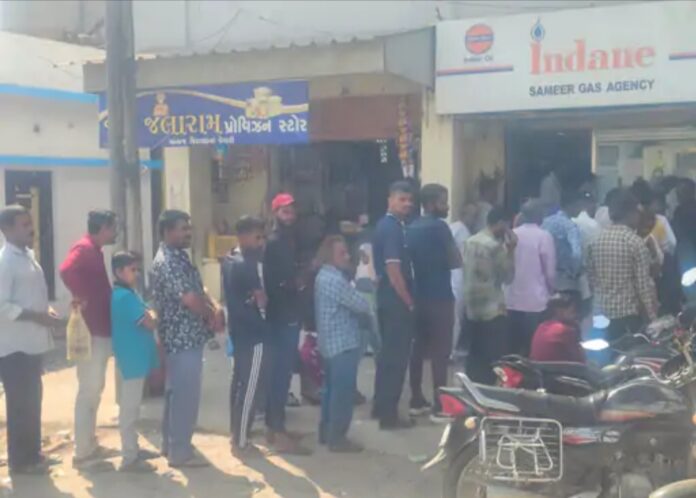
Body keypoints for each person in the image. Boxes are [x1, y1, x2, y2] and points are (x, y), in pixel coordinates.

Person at [152, 210, 223, 468]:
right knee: (185, 396)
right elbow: (190, 299)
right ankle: (180, 452)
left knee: (176, 393)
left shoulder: (179, 256)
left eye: (188, 228)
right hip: (181, 337)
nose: (188, 233)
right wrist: (210, 315)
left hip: (187, 336)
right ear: (167, 231)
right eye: (183, 228)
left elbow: (198, 288)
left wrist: (214, 305)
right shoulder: (168, 261)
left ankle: (171, 444)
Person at [0, 205, 64, 475]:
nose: (30, 228)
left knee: (33, 401)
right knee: (19, 405)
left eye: (30, 223)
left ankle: (34, 454)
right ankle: (20, 461)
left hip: (32, 344)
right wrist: (38, 317)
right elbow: (3, 306)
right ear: (6, 229)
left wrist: (46, 311)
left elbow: (30, 295)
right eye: (24, 224)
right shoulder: (5, 262)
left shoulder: (27, 256)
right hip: (15, 347)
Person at [59, 210, 117, 467]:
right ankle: (83, 452)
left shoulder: (94, 250)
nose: (115, 232)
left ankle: (89, 444)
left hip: (98, 328)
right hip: (91, 329)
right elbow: (66, 270)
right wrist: (81, 297)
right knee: (89, 391)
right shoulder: (84, 249)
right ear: (103, 227)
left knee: (95, 389)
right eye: (113, 228)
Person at [406, 184, 461, 421]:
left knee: (417, 350)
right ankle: (440, 404)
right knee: (440, 352)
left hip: (417, 295)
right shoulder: (440, 228)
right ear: (430, 204)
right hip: (440, 296)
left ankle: (416, 398)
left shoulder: (410, 228)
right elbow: (455, 260)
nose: (446, 206)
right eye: (442, 201)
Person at [315, 235, 372, 452]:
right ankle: (337, 438)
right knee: (342, 394)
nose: (347, 256)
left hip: (330, 343)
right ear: (330, 256)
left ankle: (326, 432)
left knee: (330, 391)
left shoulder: (324, 276)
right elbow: (361, 304)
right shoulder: (335, 280)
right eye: (342, 253)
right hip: (342, 344)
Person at [262, 193, 310, 453]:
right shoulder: (275, 242)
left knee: (283, 373)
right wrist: (298, 282)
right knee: (279, 374)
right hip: (281, 315)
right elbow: (276, 282)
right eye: (285, 212)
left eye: (292, 212)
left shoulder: (291, 240)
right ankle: (276, 430)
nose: (290, 216)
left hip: (289, 313)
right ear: (275, 213)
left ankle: (276, 428)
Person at [222, 216, 269, 457]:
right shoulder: (246, 265)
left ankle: (236, 434)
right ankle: (241, 441)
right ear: (243, 236)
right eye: (257, 237)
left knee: (239, 384)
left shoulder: (229, 259)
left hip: (237, 331)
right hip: (253, 333)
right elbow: (261, 300)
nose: (260, 242)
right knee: (250, 388)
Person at [372, 180, 416, 429]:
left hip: (387, 298)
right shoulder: (391, 229)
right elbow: (394, 271)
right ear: (390, 200)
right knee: (396, 360)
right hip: (395, 299)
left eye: (410, 200)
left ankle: (380, 407)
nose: (407, 204)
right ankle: (389, 416)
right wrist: (409, 302)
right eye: (402, 199)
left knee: (387, 356)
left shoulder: (392, 226)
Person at [110, 251, 160, 472]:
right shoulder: (125, 297)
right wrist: (154, 315)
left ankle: (133, 449)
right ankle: (129, 457)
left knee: (131, 408)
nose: (136, 273)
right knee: (129, 410)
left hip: (132, 358)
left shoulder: (127, 294)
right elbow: (149, 322)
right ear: (119, 271)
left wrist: (150, 314)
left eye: (137, 269)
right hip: (131, 360)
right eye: (132, 269)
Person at [587, 189, 658, 340]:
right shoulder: (635, 243)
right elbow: (643, 287)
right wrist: (652, 318)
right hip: (628, 317)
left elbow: (592, 279)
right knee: (630, 353)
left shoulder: (595, 241)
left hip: (600, 315)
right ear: (631, 213)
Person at [462, 206, 516, 385]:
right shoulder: (494, 246)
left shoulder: (470, 241)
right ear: (501, 223)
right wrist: (511, 250)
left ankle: (472, 384)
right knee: (493, 354)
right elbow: (507, 276)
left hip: (471, 305)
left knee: (474, 352)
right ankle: (488, 387)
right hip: (492, 306)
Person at [504, 199, 556, 357]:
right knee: (533, 348)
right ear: (540, 215)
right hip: (536, 302)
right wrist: (552, 291)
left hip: (511, 300)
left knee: (512, 348)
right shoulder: (544, 236)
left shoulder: (511, 234)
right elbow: (549, 270)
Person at [449, 202, 478, 353]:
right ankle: (451, 350)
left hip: (457, 276)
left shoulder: (459, 229)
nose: (474, 219)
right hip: (457, 277)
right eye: (472, 215)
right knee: (456, 316)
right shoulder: (460, 230)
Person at [542, 190, 584, 292]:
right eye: (579, 206)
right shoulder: (570, 226)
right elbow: (577, 254)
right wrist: (574, 271)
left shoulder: (546, 222)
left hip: (545, 278)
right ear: (571, 206)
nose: (581, 209)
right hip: (565, 279)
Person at [529, 292, 585, 364]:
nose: (575, 314)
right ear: (560, 311)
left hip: (539, 368)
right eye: (572, 311)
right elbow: (580, 359)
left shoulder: (541, 326)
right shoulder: (565, 330)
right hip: (561, 369)